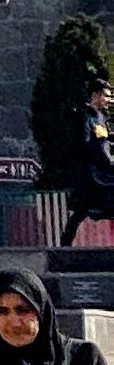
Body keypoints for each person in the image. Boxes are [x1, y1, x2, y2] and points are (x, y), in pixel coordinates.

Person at [69, 83, 114, 250]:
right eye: (106, 96)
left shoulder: (100, 117)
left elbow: (105, 139)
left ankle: (65, 243)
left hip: (105, 167)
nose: (108, 100)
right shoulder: (84, 116)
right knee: (80, 212)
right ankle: (65, 246)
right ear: (95, 95)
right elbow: (85, 144)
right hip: (93, 172)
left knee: (79, 215)